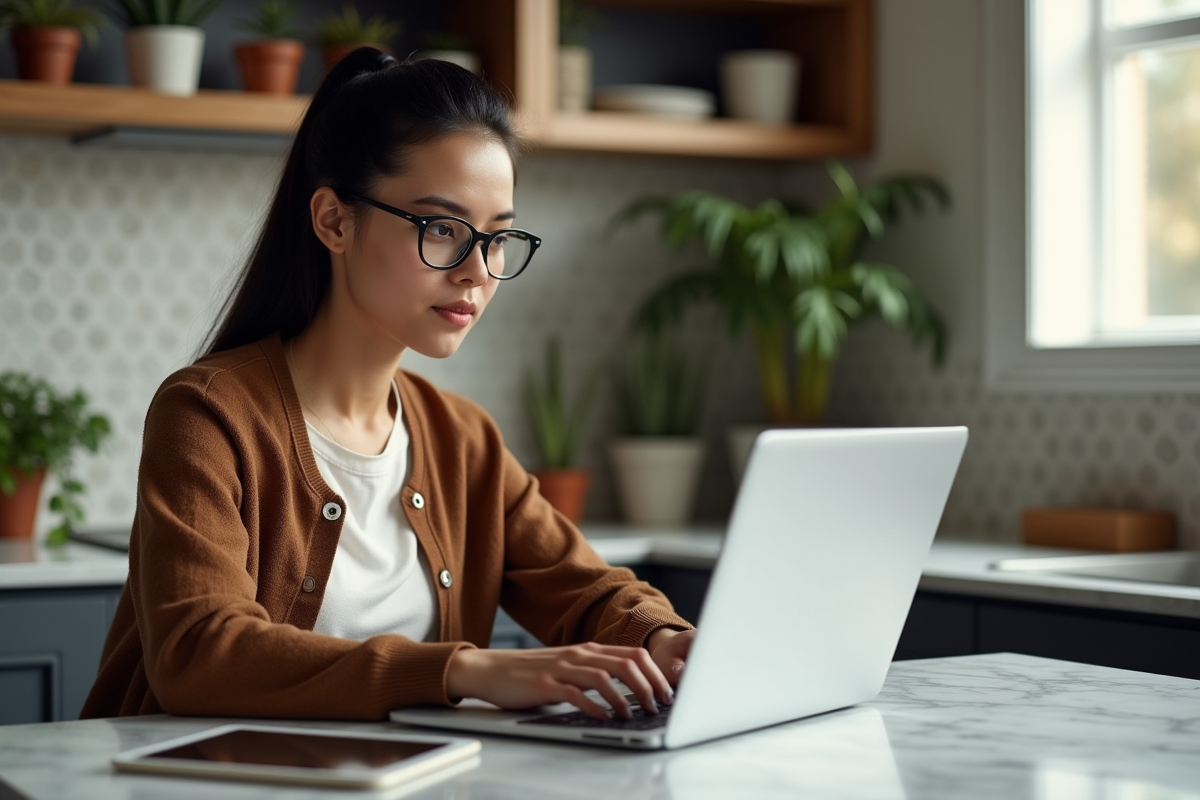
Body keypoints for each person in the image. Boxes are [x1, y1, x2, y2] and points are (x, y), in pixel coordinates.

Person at [80, 49, 694, 723]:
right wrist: (465, 668)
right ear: (334, 221)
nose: (476, 272)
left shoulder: (461, 437)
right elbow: (200, 656)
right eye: (442, 229)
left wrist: (664, 640)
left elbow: (586, 592)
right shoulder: (207, 413)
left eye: (496, 239)